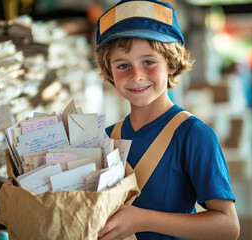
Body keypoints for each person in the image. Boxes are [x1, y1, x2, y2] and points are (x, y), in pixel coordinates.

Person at [95, 0, 240, 239]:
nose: (137, 75)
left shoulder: (193, 134)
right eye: (123, 65)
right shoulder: (107, 137)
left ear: (171, 64)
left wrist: (142, 220)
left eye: (149, 62)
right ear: (109, 71)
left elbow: (228, 227)